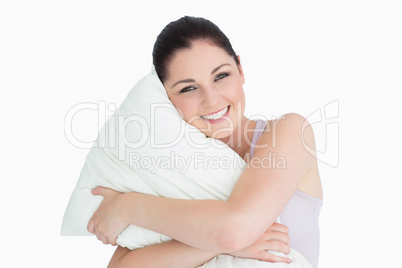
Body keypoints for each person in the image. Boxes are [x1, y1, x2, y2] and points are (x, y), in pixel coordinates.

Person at [87, 16, 323, 268]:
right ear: (166, 98)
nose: (211, 100)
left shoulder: (289, 132)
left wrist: (128, 207)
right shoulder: (165, 165)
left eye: (221, 76)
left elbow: (234, 231)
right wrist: (223, 243)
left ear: (240, 70)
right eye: (188, 88)